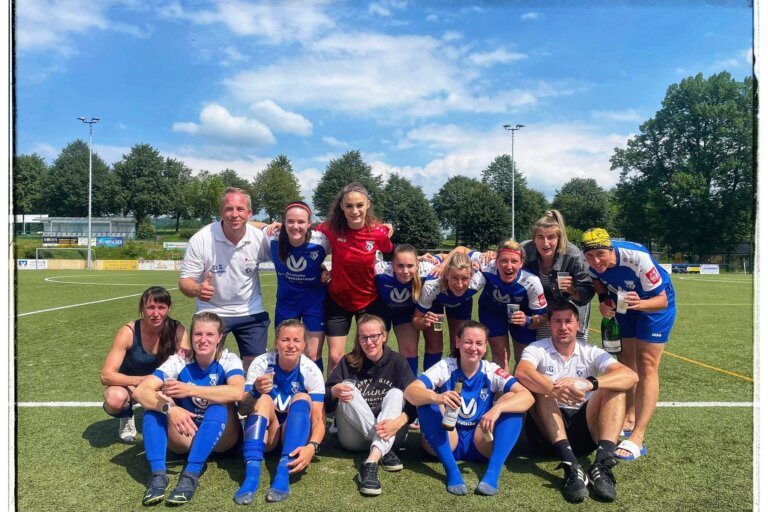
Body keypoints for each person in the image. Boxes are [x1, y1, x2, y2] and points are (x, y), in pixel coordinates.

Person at [514, 300, 638, 503]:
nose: (563, 327)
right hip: (547, 435)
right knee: (539, 386)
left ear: (578, 325)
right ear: (549, 325)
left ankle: (602, 464)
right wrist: (553, 389)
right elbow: (522, 371)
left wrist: (590, 383)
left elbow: (630, 376)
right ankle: (570, 465)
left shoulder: (590, 351)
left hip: (584, 432)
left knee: (615, 388)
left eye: (568, 321)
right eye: (557, 321)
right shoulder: (537, 348)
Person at [404, 320, 533, 496]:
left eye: (479, 343)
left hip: (481, 440)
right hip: (448, 439)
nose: (473, 348)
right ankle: (452, 471)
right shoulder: (445, 366)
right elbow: (410, 391)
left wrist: (497, 409)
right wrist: (437, 397)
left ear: (485, 346)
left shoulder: (491, 370)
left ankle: (492, 473)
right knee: (426, 401)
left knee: (512, 400)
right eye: (468, 342)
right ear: (457, 342)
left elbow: (527, 396)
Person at [581, 227, 676, 462]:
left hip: (653, 307)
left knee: (647, 364)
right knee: (625, 364)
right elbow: (596, 280)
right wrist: (604, 299)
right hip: (624, 303)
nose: (596, 261)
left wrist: (640, 304)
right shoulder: (589, 263)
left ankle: (638, 435)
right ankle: (629, 417)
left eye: (600, 254)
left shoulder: (637, 258)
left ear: (611, 249)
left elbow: (662, 300)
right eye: (590, 256)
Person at [133, 311, 245, 506]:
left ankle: (190, 475)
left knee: (219, 404)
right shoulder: (179, 360)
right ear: (191, 336)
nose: (203, 340)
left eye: (209, 334)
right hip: (186, 434)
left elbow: (237, 392)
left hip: (222, 440)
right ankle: (158, 476)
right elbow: (141, 391)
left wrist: (189, 389)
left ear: (220, 337)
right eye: (198, 334)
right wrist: (170, 408)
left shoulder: (229, 359)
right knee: (155, 407)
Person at [179, 187, 272, 373]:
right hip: (211, 309)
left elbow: (287, 258)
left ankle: (246, 392)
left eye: (240, 209)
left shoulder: (260, 238)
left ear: (249, 213)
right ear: (221, 212)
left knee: (255, 367)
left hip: (250, 310)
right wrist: (197, 289)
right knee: (205, 362)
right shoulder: (201, 239)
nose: (234, 214)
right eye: (229, 209)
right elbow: (184, 282)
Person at [234, 319, 326, 504]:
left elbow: (318, 419)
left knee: (303, 397)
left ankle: (282, 474)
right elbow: (243, 410)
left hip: (294, 440)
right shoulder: (261, 363)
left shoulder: (311, 370)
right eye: (285, 340)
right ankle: (251, 475)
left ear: (304, 344)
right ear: (276, 342)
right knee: (263, 399)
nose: (291, 345)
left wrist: (312, 446)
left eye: (296, 340)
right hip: (267, 437)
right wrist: (255, 391)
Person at [325, 314, 416, 496]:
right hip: (354, 438)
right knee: (348, 389)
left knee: (397, 393)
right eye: (364, 337)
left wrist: (398, 423)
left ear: (384, 336)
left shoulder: (397, 361)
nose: (369, 342)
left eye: (374, 336)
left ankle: (371, 461)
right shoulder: (348, 362)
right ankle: (383, 451)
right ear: (358, 339)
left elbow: (415, 401)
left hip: (393, 432)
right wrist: (334, 392)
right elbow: (325, 404)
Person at [315, 182, 394, 373]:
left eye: (359, 205)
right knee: (335, 357)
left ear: (368, 204)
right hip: (338, 301)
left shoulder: (378, 232)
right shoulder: (330, 229)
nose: (355, 211)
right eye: (349, 206)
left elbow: (392, 253)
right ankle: (332, 392)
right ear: (342, 206)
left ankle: (371, 389)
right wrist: (320, 267)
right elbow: (304, 239)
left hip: (370, 301)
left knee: (372, 353)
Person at [100, 286, 189, 442]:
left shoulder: (177, 330)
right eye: (150, 308)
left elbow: (187, 366)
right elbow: (106, 376)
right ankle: (126, 415)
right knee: (115, 399)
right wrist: (142, 380)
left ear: (169, 308)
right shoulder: (128, 332)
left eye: (161, 308)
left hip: (161, 385)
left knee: (174, 409)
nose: (156, 313)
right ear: (142, 308)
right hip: (130, 386)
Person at [264, 201, 331, 373]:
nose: (295, 226)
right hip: (286, 303)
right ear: (284, 222)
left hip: (314, 302)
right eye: (290, 221)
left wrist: (329, 271)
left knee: (313, 354)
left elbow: (346, 251)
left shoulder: (321, 240)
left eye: (301, 222)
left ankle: (314, 389)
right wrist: (267, 224)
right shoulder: (272, 237)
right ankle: (284, 387)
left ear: (309, 224)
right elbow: (245, 224)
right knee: (284, 351)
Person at [522, 210, 595, 342]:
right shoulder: (526, 250)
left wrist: (572, 290)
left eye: (551, 237)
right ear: (534, 238)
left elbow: (587, 290)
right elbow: (506, 254)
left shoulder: (572, 254)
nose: (545, 243)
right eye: (540, 237)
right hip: (543, 309)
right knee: (544, 349)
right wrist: (492, 254)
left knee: (573, 349)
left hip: (572, 306)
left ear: (559, 238)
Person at [374, 244, 443, 375]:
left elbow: (450, 259)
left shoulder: (428, 269)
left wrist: (443, 264)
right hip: (382, 311)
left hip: (406, 312)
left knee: (410, 350)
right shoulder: (380, 269)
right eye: (400, 266)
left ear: (417, 265)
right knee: (375, 349)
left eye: (410, 266)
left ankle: (414, 384)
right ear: (392, 265)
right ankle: (376, 384)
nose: (405, 271)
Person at [411, 252, 484, 357]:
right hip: (435, 302)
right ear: (446, 275)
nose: (459, 285)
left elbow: (462, 249)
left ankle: (457, 368)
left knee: (458, 345)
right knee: (434, 346)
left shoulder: (479, 279)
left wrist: (490, 253)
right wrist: (424, 321)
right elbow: (416, 321)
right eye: (454, 278)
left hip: (461, 303)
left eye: (464, 278)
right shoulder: (432, 286)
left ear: (471, 276)